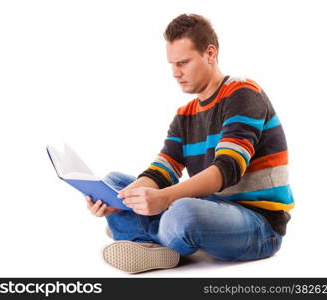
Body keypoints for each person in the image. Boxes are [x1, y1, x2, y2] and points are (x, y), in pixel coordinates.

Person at [86, 13, 295, 274]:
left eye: (183, 62)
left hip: (258, 225)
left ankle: (141, 234)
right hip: (210, 207)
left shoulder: (243, 93)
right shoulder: (185, 114)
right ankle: (158, 236)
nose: (175, 73)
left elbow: (227, 169)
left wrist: (163, 199)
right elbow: (161, 171)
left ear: (210, 53)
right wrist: (119, 200)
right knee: (115, 182)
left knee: (183, 211)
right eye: (172, 64)